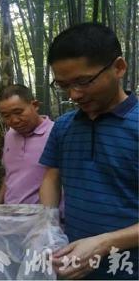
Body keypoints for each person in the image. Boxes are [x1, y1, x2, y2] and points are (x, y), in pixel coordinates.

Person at [39, 22, 138, 280]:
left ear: (118, 67)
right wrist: (49, 223)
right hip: (75, 268)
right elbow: (52, 175)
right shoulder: (63, 127)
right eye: (63, 85)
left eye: (83, 81)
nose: (74, 94)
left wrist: (104, 243)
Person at [0, 84, 59, 280]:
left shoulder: (56, 134)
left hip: (38, 225)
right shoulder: (10, 136)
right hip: (8, 221)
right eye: (6, 115)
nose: (14, 120)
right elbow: (10, 176)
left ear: (35, 105)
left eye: (19, 112)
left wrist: (53, 221)